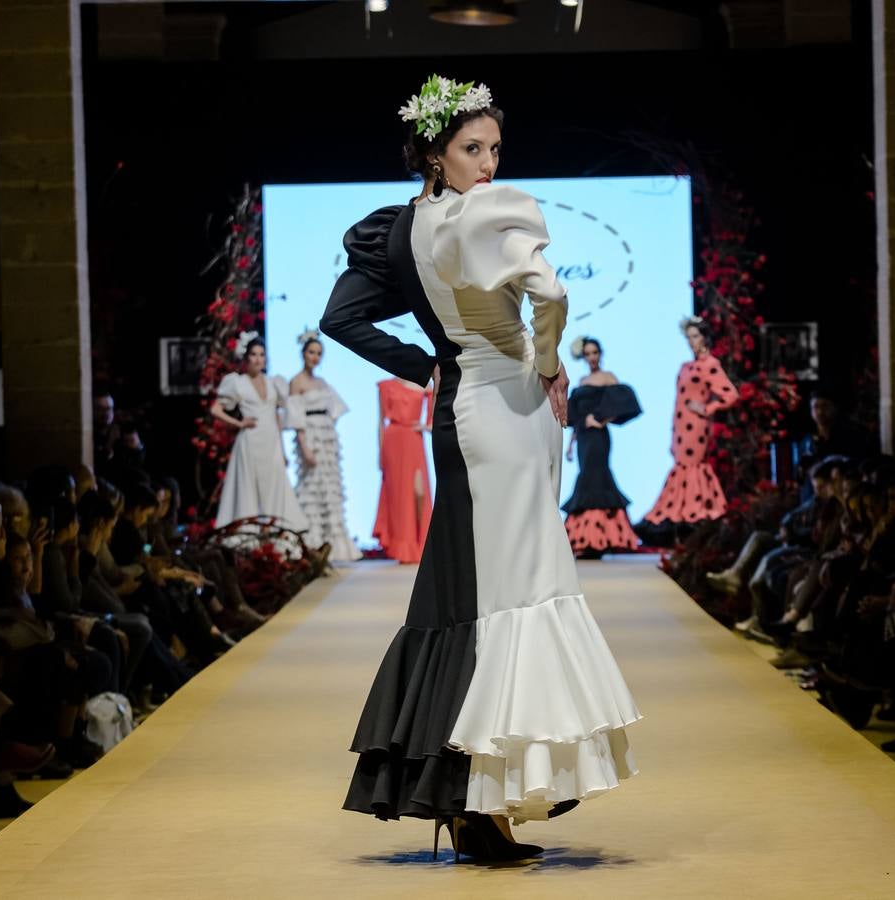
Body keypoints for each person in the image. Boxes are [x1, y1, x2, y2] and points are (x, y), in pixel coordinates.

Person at [320, 74, 639, 862]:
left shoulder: (398, 229)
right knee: (514, 595)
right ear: (435, 150)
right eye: (472, 148)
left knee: (484, 597)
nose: (489, 163)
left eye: (495, 148)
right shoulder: (489, 215)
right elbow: (551, 292)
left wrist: (424, 363)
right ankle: (481, 796)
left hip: (464, 412)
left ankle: (477, 800)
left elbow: (339, 317)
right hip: (508, 413)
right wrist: (549, 353)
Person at [637, 315, 739, 537]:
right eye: (688, 337)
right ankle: (683, 518)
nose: (691, 341)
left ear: (704, 338)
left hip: (697, 426)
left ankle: (698, 513)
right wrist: (673, 435)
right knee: (682, 466)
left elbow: (730, 394)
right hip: (681, 428)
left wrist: (707, 408)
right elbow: (679, 402)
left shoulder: (710, 365)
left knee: (693, 467)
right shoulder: (687, 366)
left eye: (695, 336)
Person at [210, 337, 310, 536]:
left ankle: (275, 532)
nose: (258, 359)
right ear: (247, 358)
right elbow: (216, 409)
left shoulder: (273, 383)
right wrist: (239, 423)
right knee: (249, 490)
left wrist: (282, 450)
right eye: (254, 355)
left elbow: (276, 417)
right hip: (250, 442)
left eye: (262, 355)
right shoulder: (238, 382)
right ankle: (249, 535)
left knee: (274, 488)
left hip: (271, 443)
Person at [561, 336, 642, 557]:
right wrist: (570, 446)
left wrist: (602, 420)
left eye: (595, 352)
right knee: (585, 477)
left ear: (600, 353)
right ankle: (586, 538)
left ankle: (602, 537)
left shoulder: (608, 378)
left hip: (598, 438)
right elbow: (576, 418)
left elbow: (624, 402)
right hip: (583, 440)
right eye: (588, 353)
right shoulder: (582, 381)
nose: (592, 357)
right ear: (583, 356)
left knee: (597, 477)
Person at [288, 330, 360, 562]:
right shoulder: (296, 382)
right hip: (310, 439)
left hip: (327, 441)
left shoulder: (322, 382)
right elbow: (295, 419)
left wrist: (327, 426)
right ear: (303, 353)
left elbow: (337, 408)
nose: (315, 357)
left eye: (319, 353)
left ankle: (335, 547)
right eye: (311, 352)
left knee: (330, 490)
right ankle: (312, 544)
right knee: (311, 489)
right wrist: (304, 447)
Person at [373, 376, 433, 563]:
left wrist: (426, 426)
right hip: (393, 440)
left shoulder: (424, 385)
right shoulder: (386, 385)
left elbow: (434, 415)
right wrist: (380, 453)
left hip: (413, 439)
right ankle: (404, 548)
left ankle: (421, 544)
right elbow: (380, 422)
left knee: (419, 492)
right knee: (398, 496)